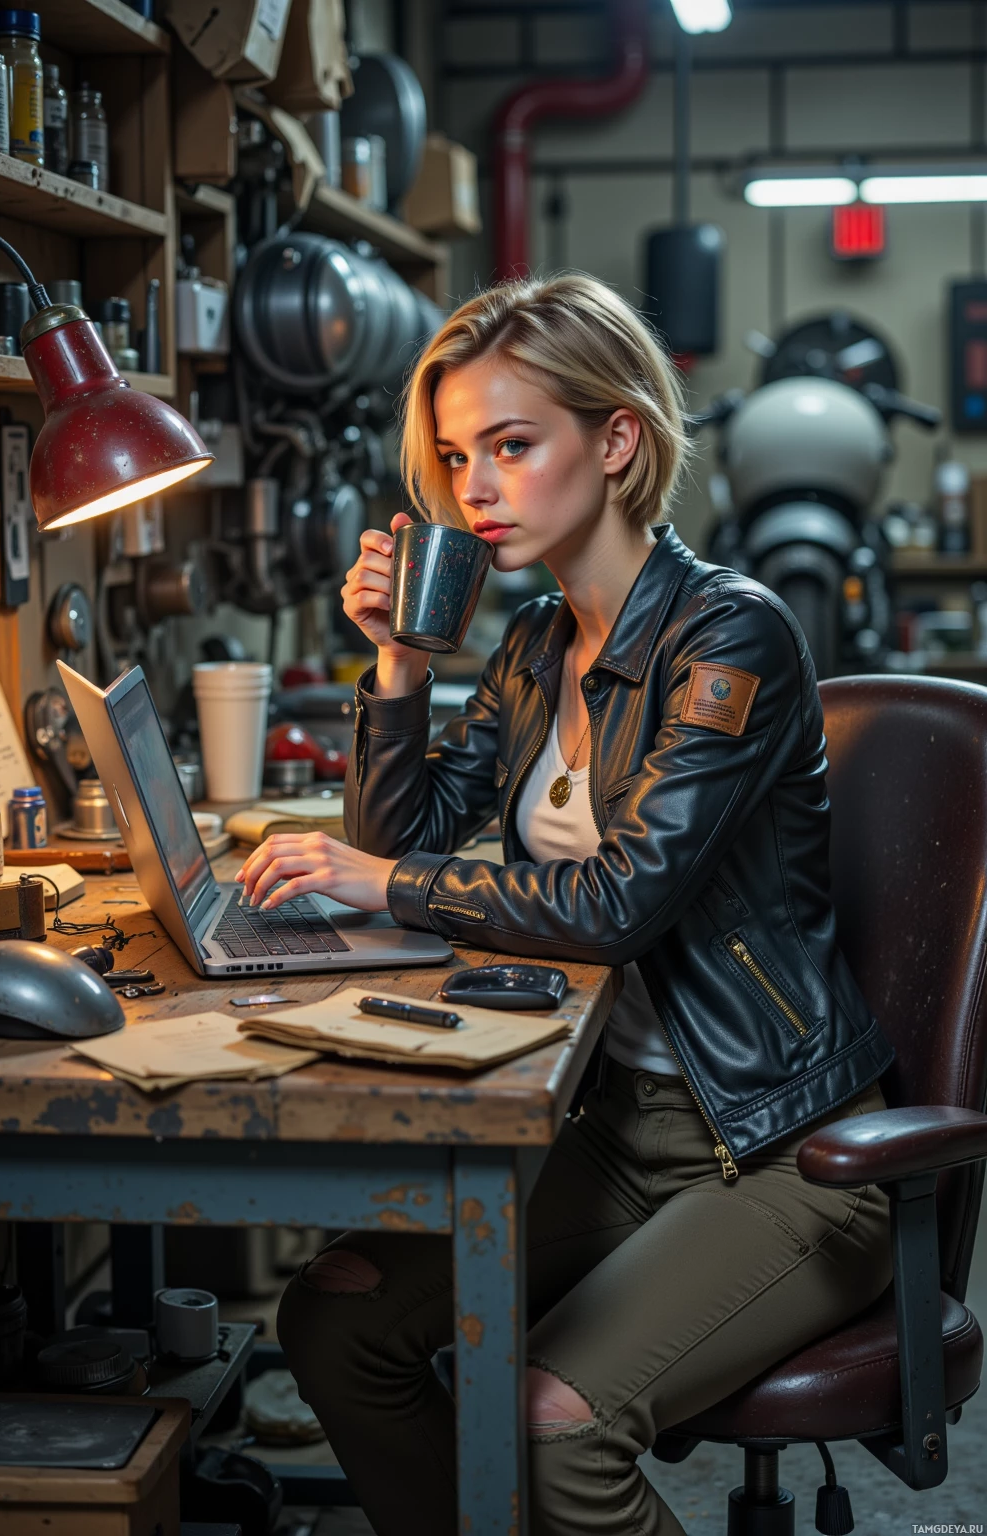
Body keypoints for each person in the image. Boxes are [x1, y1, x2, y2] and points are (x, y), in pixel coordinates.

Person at [236, 274, 895, 1536]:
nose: (471, 488)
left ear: (615, 439)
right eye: (451, 456)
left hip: (776, 1150)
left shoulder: (731, 636)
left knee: (559, 1433)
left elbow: (616, 904)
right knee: (336, 1319)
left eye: (510, 445)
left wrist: (383, 883)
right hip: (606, 1130)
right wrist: (399, 665)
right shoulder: (538, 642)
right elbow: (412, 835)